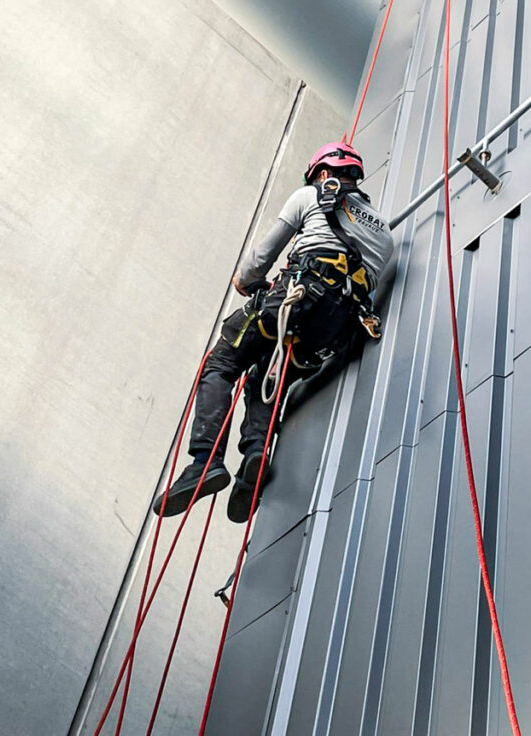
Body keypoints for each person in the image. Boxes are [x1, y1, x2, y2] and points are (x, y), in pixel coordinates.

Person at [153, 141, 394, 523]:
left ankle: (204, 462)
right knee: (270, 376)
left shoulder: (311, 195)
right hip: (334, 330)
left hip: (297, 296)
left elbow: (260, 260)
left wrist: (245, 281)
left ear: (322, 172)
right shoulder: (386, 235)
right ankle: (255, 456)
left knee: (221, 363)